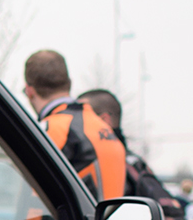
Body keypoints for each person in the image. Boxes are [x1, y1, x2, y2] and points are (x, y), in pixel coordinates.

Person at [76, 87, 193, 220]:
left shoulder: (114, 170)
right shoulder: (136, 166)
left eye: (84, 118)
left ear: (105, 121)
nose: (78, 125)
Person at [22, 50, 128, 201]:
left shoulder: (50, 130)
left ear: (30, 91)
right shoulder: (103, 128)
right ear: (69, 83)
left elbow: (34, 205)